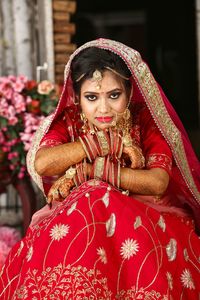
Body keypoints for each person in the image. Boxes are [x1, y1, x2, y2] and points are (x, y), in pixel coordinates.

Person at [0, 38, 200, 299]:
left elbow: (157, 182)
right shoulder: (68, 120)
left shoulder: (146, 120)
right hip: (80, 226)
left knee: (96, 193)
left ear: (129, 91)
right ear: (76, 97)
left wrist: (95, 173)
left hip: (145, 218)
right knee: (92, 198)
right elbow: (43, 163)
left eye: (114, 95)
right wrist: (100, 143)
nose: (103, 109)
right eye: (91, 97)